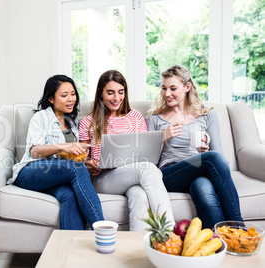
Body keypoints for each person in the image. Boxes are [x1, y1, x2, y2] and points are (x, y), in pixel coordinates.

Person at [146, 65, 243, 229]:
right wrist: (162, 137)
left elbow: (219, 155)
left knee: (203, 187)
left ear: (187, 87)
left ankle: (219, 240)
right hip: (169, 173)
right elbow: (146, 161)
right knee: (213, 159)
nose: (167, 93)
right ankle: (239, 227)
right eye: (164, 88)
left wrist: (203, 152)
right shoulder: (155, 117)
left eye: (173, 88)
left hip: (199, 169)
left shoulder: (206, 113)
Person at [79, 70, 175, 231]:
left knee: (139, 195)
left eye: (120, 92)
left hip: (131, 176)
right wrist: (88, 164)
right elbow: (82, 159)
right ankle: (169, 231)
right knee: (148, 169)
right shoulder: (87, 122)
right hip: (103, 179)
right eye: (110, 92)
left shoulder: (136, 117)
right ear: (100, 93)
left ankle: (138, 245)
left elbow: (145, 153)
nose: (116, 98)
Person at [7, 74, 105, 230]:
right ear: (51, 99)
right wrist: (63, 146)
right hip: (30, 172)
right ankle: (102, 230)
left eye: (73, 94)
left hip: (55, 177)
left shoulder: (72, 122)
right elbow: (35, 152)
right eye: (64, 95)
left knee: (69, 195)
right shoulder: (41, 117)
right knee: (76, 169)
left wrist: (85, 163)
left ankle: (70, 248)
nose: (71, 99)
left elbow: (68, 161)